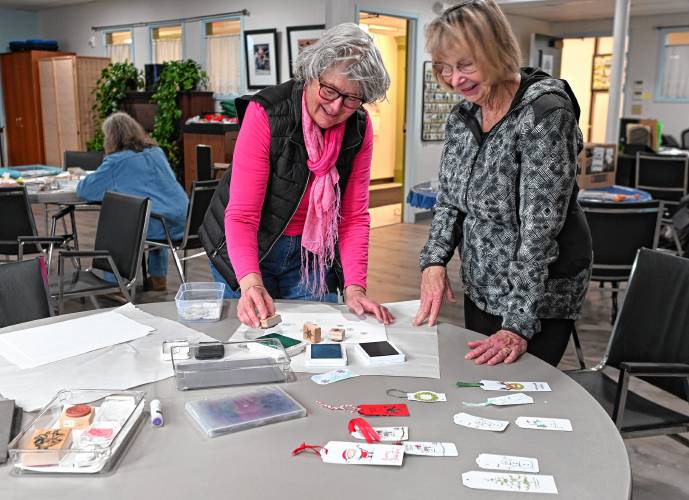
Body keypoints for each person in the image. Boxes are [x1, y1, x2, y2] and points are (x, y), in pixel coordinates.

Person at [414, 0, 592, 367]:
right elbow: (449, 200)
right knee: (482, 393)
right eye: (444, 67)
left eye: (465, 65)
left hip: (539, 292)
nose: (454, 79)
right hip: (481, 283)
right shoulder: (465, 113)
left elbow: (539, 232)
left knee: (520, 397)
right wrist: (434, 262)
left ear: (497, 52)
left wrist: (518, 324)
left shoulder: (544, 114)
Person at [200, 23, 394, 328]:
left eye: (352, 99)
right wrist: (251, 285)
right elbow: (242, 216)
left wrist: (355, 287)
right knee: (250, 344)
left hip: (311, 254)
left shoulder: (358, 126)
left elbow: (354, 215)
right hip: (248, 247)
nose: (335, 106)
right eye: (329, 90)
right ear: (311, 73)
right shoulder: (267, 112)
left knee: (315, 346)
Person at [77, 112, 189, 291]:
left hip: (157, 225)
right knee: (151, 208)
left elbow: (85, 190)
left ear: (111, 137)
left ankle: (116, 285)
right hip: (183, 221)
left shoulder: (116, 162)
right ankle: (158, 278)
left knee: (116, 219)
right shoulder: (156, 152)